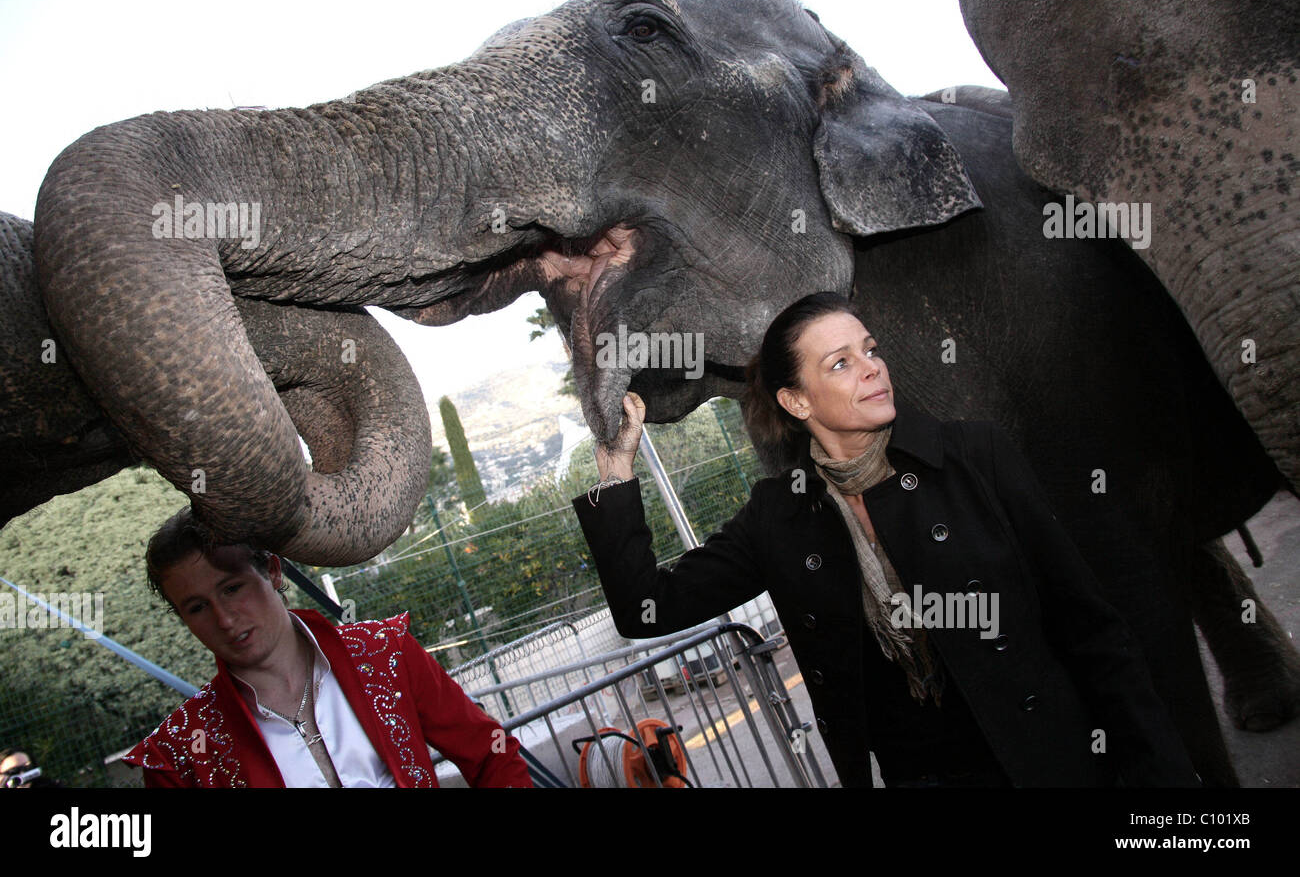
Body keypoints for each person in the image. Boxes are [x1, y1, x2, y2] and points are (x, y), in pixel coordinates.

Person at [573, 291, 1200, 787]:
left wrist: (1167, 783)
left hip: (1054, 759)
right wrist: (618, 475)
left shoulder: (975, 456)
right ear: (795, 401)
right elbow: (646, 607)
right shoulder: (780, 517)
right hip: (920, 777)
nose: (872, 368)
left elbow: (1091, 627)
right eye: (840, 363)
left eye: (869, 349)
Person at [122, 509, 532, 788]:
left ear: (272, 570)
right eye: (197, 608)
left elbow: (490, 751)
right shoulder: (179, 753)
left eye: (232, 588)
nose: (225, 619)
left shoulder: (383, 652)